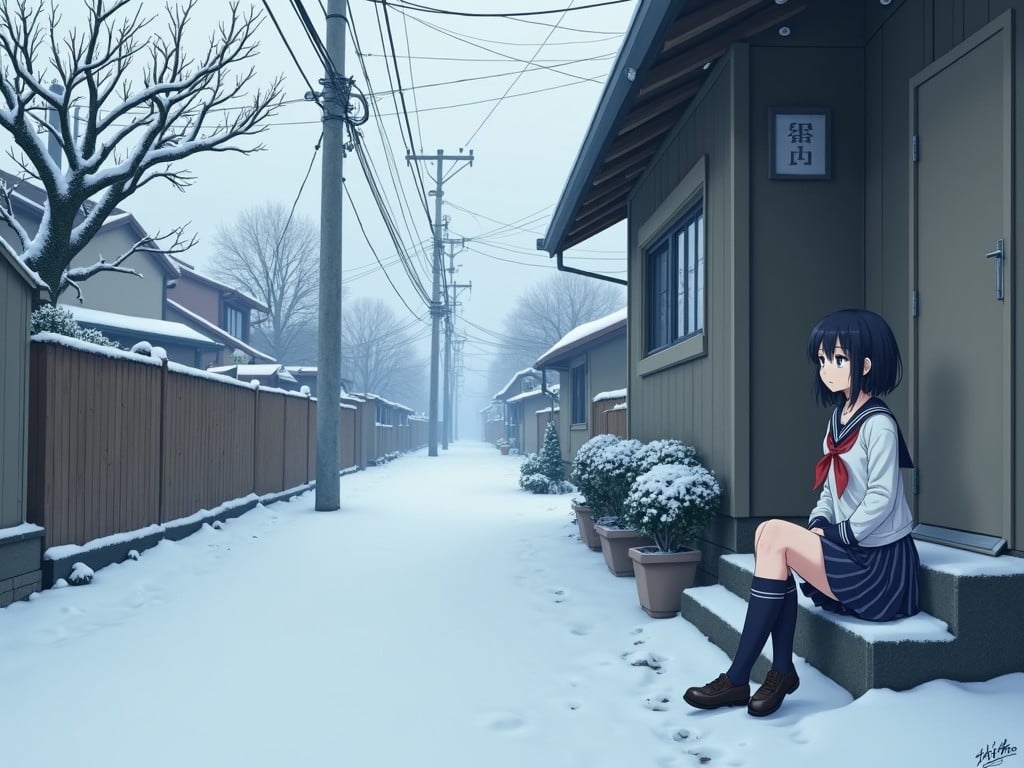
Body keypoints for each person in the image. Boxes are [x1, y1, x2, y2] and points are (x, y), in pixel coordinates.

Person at [683, 308, 921, 717]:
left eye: (839, 359)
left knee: (772, 536)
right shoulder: (837, 420)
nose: (828, 369)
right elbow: (831, 487)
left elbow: (882, 498)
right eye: (823, 359)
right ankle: (776, 670)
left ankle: (743, 677)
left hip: (880, 567)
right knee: (767, 538)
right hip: (852, 549)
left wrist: (840, 533)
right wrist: (818, 522)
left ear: (865, 364)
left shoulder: (879, 424)